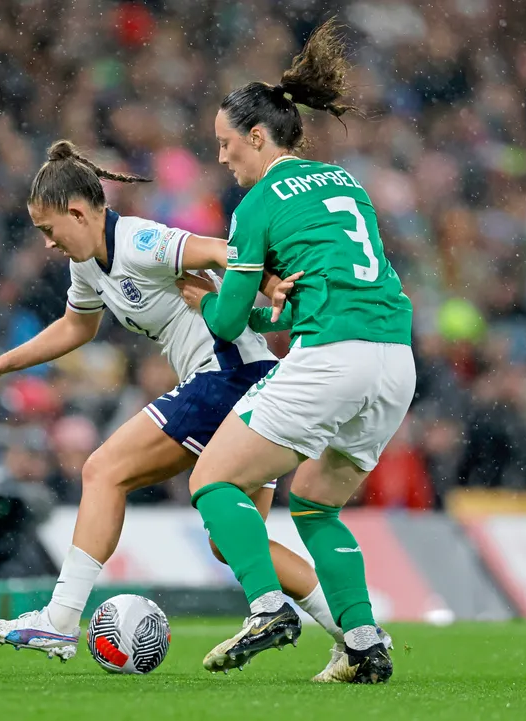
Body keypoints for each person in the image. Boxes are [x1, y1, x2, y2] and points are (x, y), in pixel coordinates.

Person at [0, 141, 358, 672]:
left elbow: (221, 250)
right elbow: (79, 325)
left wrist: (268, 285)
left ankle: (59, 619)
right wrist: (1, 364)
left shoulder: (139, 239)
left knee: (104, 470)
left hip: (227, 377)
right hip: (254, 381)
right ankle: (357, 636)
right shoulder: (89, 262)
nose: (48, 242)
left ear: (79, 212)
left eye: (49, 229)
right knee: (236, 543)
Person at [173, 20, 415, 684]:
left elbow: (225, 323)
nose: (222, 159)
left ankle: (266, 607)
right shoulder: (344, 182)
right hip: (395, 359)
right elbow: (332, 273)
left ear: (256, 136)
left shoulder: (256, 205)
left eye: (226, 145)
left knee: (213, 482)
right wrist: (273, 303)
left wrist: (208, 301)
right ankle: (363, 641)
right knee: (314, 503)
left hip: (333, 355)